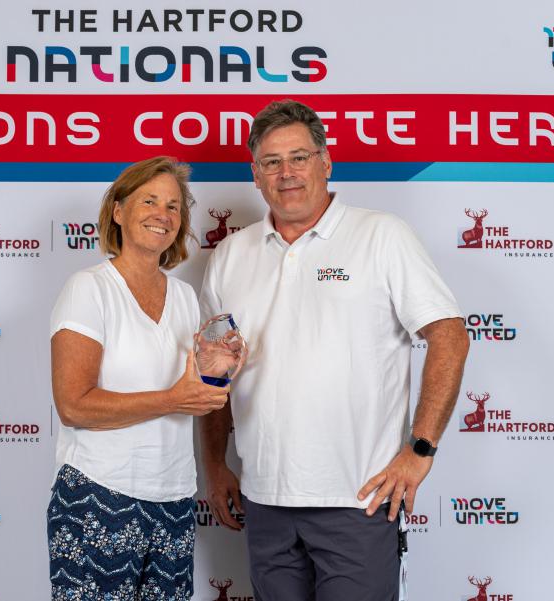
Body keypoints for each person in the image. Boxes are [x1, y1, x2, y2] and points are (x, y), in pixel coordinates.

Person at [199, 100, 470, 601]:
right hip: (264, 501)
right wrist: (214, 464)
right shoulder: (231, 255)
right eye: (271, 162)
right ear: (255, 175)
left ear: (326, 162)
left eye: (299, 157)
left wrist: (421, 449)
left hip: (358, 500)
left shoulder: (381, 235)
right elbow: (215, 374)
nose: (287, 174)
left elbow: (449, 334)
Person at [48, 156, 230, 600]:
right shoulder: (88, 289)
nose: (162, 215)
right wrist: (172, 399)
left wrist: (219, 375)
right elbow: (74, 405)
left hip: (173, 499)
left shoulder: (186, 297)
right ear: (118, 211)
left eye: (173, 206)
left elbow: (197, 395)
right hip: (98, 495)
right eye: (149, 200)